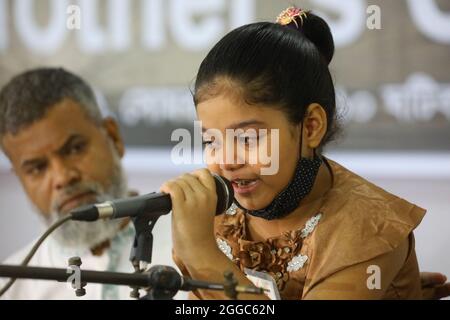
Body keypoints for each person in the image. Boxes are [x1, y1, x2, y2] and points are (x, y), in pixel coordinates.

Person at [161, 7, 450, 299]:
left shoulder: (369, 227)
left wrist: (203, 258)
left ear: (310, 127)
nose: (227, 161)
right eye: (211, 141)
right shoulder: (221, 214)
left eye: (247, 138)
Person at [0, 68, 137, 299]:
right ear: (21, 179)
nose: (63, 177)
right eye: (37, 168)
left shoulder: (195, 251)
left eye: (75, 149)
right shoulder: (12, 287)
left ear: (113, 138)